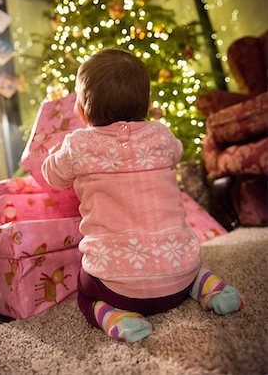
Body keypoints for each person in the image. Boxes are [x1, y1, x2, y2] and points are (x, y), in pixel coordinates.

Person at [41, 49, 243, 344]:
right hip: (179, 274)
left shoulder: (77, 145)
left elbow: (52, 175)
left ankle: (115, 316)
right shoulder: (160, 135)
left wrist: (54, 153)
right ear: (147, 105)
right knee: (186, 264)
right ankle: (206, 286)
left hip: (118, 289)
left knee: (84, 289)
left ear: (82, 113)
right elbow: (177, 151)